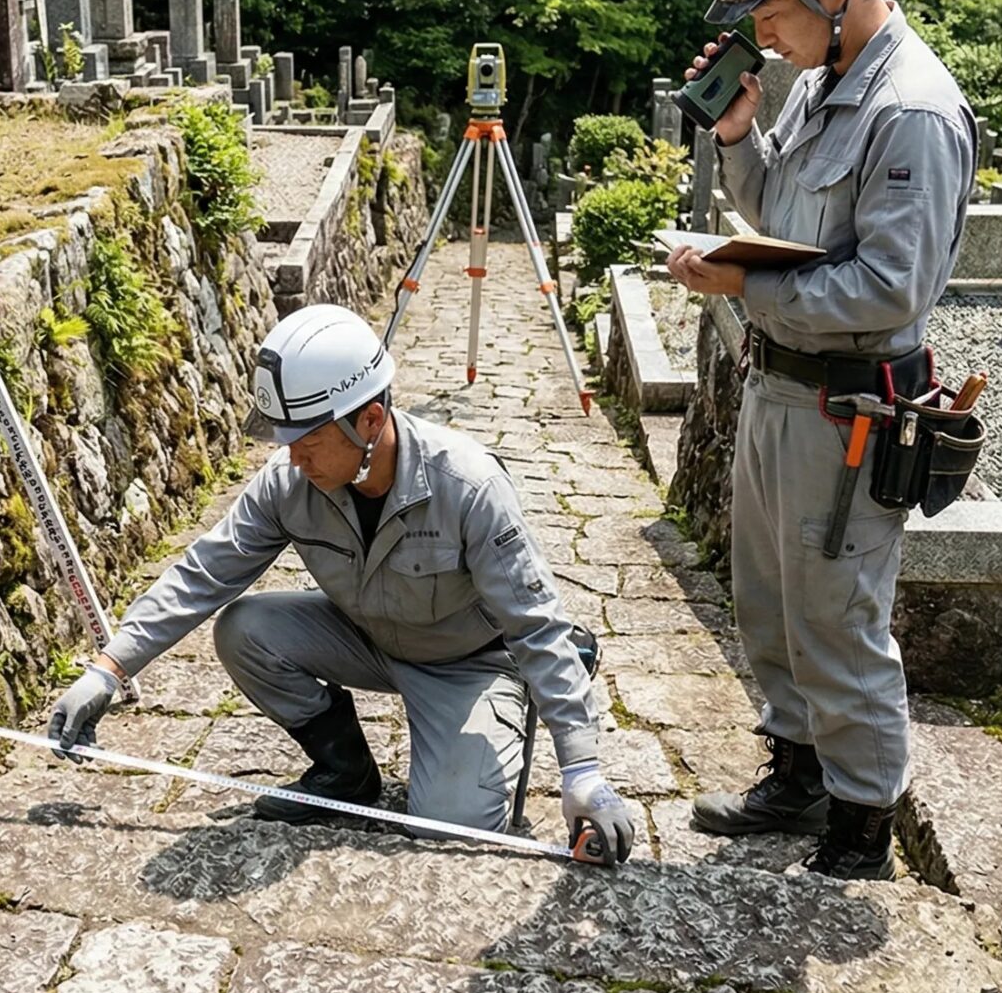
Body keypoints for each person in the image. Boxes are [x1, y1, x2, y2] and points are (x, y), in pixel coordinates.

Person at [43, 303, 636, 863]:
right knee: (245, 628)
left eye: (308, 440)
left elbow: (536, 624)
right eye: (285, 440)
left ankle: (521, 698)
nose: (293, 459)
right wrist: (109, 670)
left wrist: (581, 771)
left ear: (370, 420)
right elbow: (204, 573)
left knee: (450, 828)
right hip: (367, 637)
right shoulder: (288, 483)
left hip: (468, 661)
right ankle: (345, 774)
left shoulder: (469, 487)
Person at [663, 0, 975, 880]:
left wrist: (743, 286)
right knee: (770, 599)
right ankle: (797, 775)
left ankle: (860, 827)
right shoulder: (821, 82)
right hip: (781, 388)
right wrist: (738, 136)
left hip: (848, 409)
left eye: (771, 13)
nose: (763, 36)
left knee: (838, 615)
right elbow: (783, 219)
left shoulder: (911, 110)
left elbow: (890, 287)